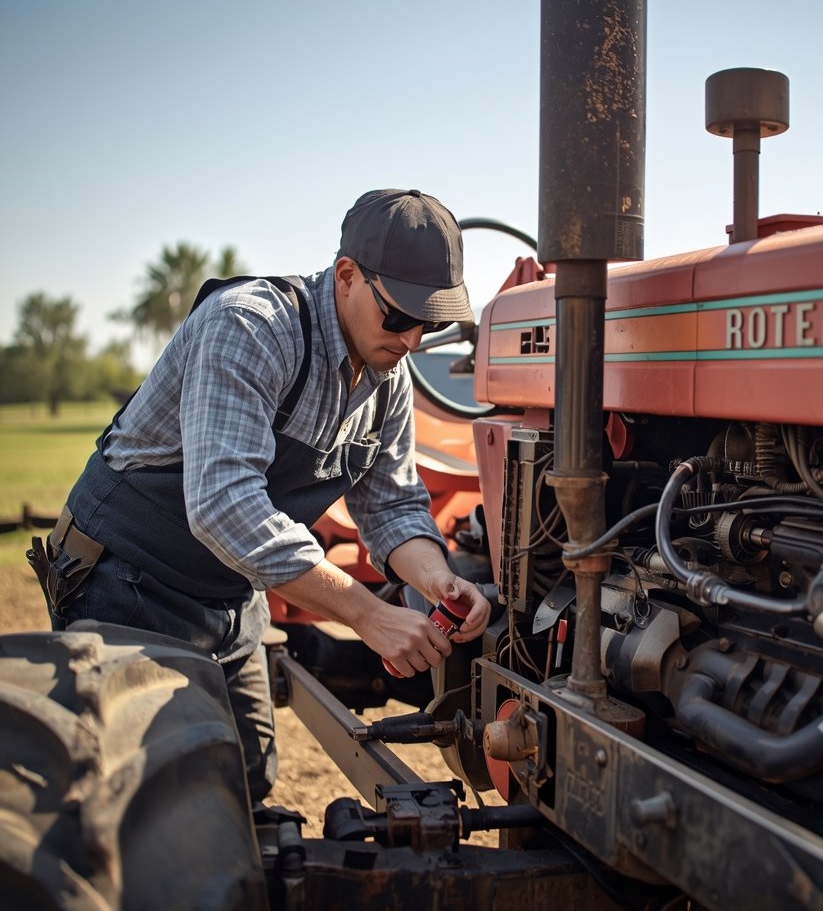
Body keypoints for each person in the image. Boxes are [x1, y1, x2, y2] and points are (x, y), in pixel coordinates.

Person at [29, 188, 490, 801]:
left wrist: (438, 579)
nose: (412, 341)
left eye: (430, 324)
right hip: (130, 579)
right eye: (400, 316)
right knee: (144, 798)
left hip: (230, 592)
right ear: (347, 276)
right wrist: (368, 614)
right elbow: (225, 505)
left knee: (246, 775)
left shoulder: (387, 380)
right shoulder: (252, 326)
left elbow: (393, 504)